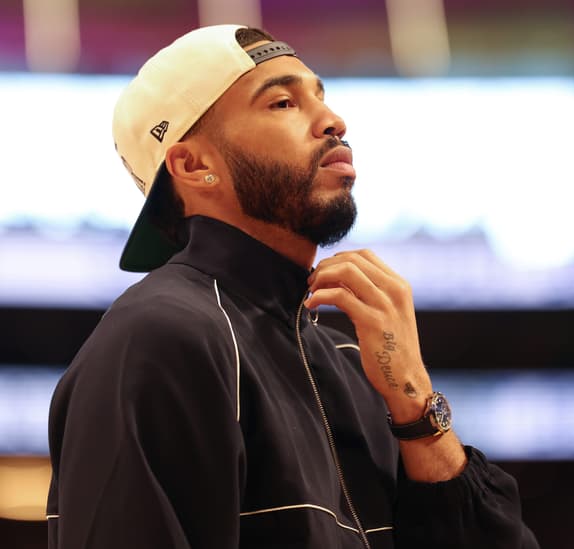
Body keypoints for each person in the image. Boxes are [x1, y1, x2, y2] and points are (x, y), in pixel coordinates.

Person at [46, 24, 539, 549]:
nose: (333, 121)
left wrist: (415, 404)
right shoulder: (158, 337)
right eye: (283, 103)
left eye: (320, 97)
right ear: (194, 164)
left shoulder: (354, 361)